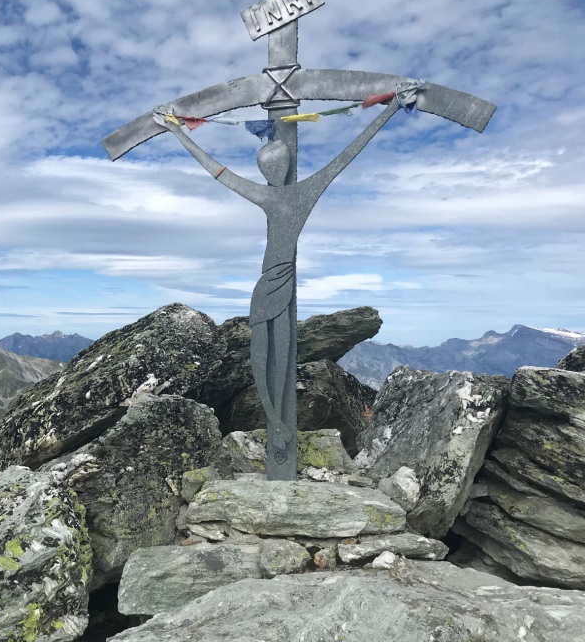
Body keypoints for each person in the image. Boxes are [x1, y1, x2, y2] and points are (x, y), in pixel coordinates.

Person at [153, 100, 400, 455]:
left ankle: (280, 426)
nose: (273, 172)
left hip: (282, 281)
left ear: (285, 166)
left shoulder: (300, 192)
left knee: (280, 356)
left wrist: (390, 108)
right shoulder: (275, 193)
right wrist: (177, 130)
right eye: (268, 168)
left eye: (277, 166)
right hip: (267, 283)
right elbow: (216, 168)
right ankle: (275, 421)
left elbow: (348, 153)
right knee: (262, 353)